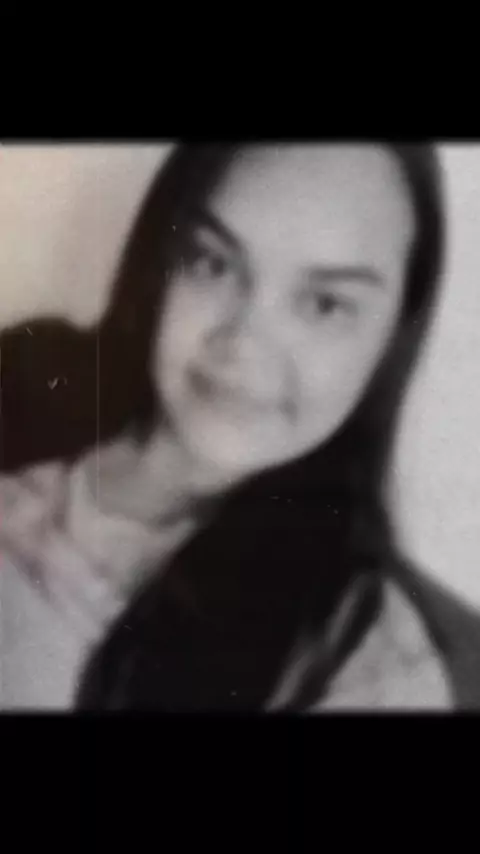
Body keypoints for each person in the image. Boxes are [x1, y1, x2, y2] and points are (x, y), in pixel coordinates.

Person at [2, 142, 480, 711]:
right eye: (213, 264)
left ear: (394, 333)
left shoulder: (369, 665)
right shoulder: (24, 392)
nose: (243, 342)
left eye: (324, 305)